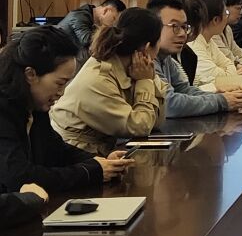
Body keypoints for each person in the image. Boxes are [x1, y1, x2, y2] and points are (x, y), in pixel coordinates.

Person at [0, 27, 132, 199]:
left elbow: (58, 150)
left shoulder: (34, 105)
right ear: (30, 74)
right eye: (60, 83)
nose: (61, 93)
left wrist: (101, 161)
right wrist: (91, 172)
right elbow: (20, 177)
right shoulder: (4, 111)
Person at [51, 8, 167, 155]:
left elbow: (156, 120)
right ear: (147, 48)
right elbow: (140, 127)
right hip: (71, 155)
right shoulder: (98, 79)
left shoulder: (132, 70)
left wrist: (147, 79)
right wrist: (145, 82)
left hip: (99, 153)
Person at [148, 0, 242, 118]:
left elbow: (185, 90)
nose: (183, 34)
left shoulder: (165, 57)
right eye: (175, 26)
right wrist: (222, 101)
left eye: (184, 27)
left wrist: (224, 98)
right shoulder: (146, 58)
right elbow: (169, 105)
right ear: (154, 26)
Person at [189, 0, 242, 93]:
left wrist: (231, 76)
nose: (227, 17)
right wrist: (233, 77)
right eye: (226, 13)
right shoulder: (194, 45)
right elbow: (221, 78)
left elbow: (229, 64)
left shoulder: (209, 41)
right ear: (216, 20)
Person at [56, 0, 126, 63]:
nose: (113, 24)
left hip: (69, 56)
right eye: (114, 18)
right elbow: (86, 40)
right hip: (58, 57)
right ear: (106, 10)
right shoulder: (79, 16)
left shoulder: (91, 17)